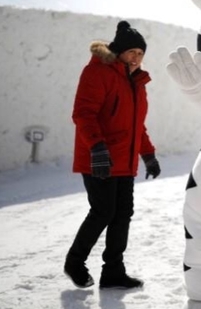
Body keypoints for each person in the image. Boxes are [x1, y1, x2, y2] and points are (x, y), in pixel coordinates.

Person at [64, 20, 161, 290]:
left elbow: (136, 126)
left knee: (122, 214)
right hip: (100, 158)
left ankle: (113, 272)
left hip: (125, 161)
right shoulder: (98, 73)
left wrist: (148, 155)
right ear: (118, 51)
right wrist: (96, 148)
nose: (136, 58)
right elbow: (83, 114)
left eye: (141, 54)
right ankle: (74, 262)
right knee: (103, 211)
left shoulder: (137, 83)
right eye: (132, 52)